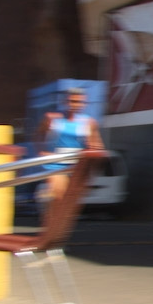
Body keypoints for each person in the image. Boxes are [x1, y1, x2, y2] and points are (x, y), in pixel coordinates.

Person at [36, 87, 104, 225]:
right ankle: (50, 223)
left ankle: (53, 227)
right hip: (56, 165)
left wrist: (92, 149)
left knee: (68, 205)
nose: (75, 105)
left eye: (79, 102)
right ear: (65, 102)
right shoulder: (52, 118)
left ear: (84, 104)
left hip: (76, 166)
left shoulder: (89, 122)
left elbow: (97, 145)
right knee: (58, 194)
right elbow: (38, 136)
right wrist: (42, 151)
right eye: (72, 101)